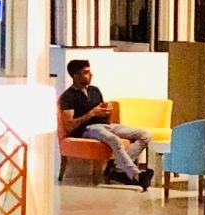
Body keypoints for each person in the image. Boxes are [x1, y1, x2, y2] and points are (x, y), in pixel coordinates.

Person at [59, 59, 153, 187]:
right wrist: (92, 113)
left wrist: (107, 112)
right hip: (86, 129)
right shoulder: (68, 96)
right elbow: (69, 125)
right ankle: (136, 175)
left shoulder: (95, 90)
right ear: (75, 76)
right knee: (114, 139)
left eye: (89, 71)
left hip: (105, 126)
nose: (91, 75)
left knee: (144, 135)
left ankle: (118, 169)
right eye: (86, 72)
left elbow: (104, 116)